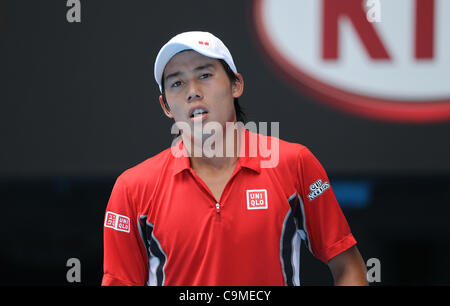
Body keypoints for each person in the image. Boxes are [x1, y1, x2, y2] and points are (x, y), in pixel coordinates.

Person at [102, 31, 367, 286]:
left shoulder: (295, 163)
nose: (192, 91)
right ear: (166, 106)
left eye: (204, 75)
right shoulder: (132, 188)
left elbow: (349, 268)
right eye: (177, 82)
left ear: (236, 85)